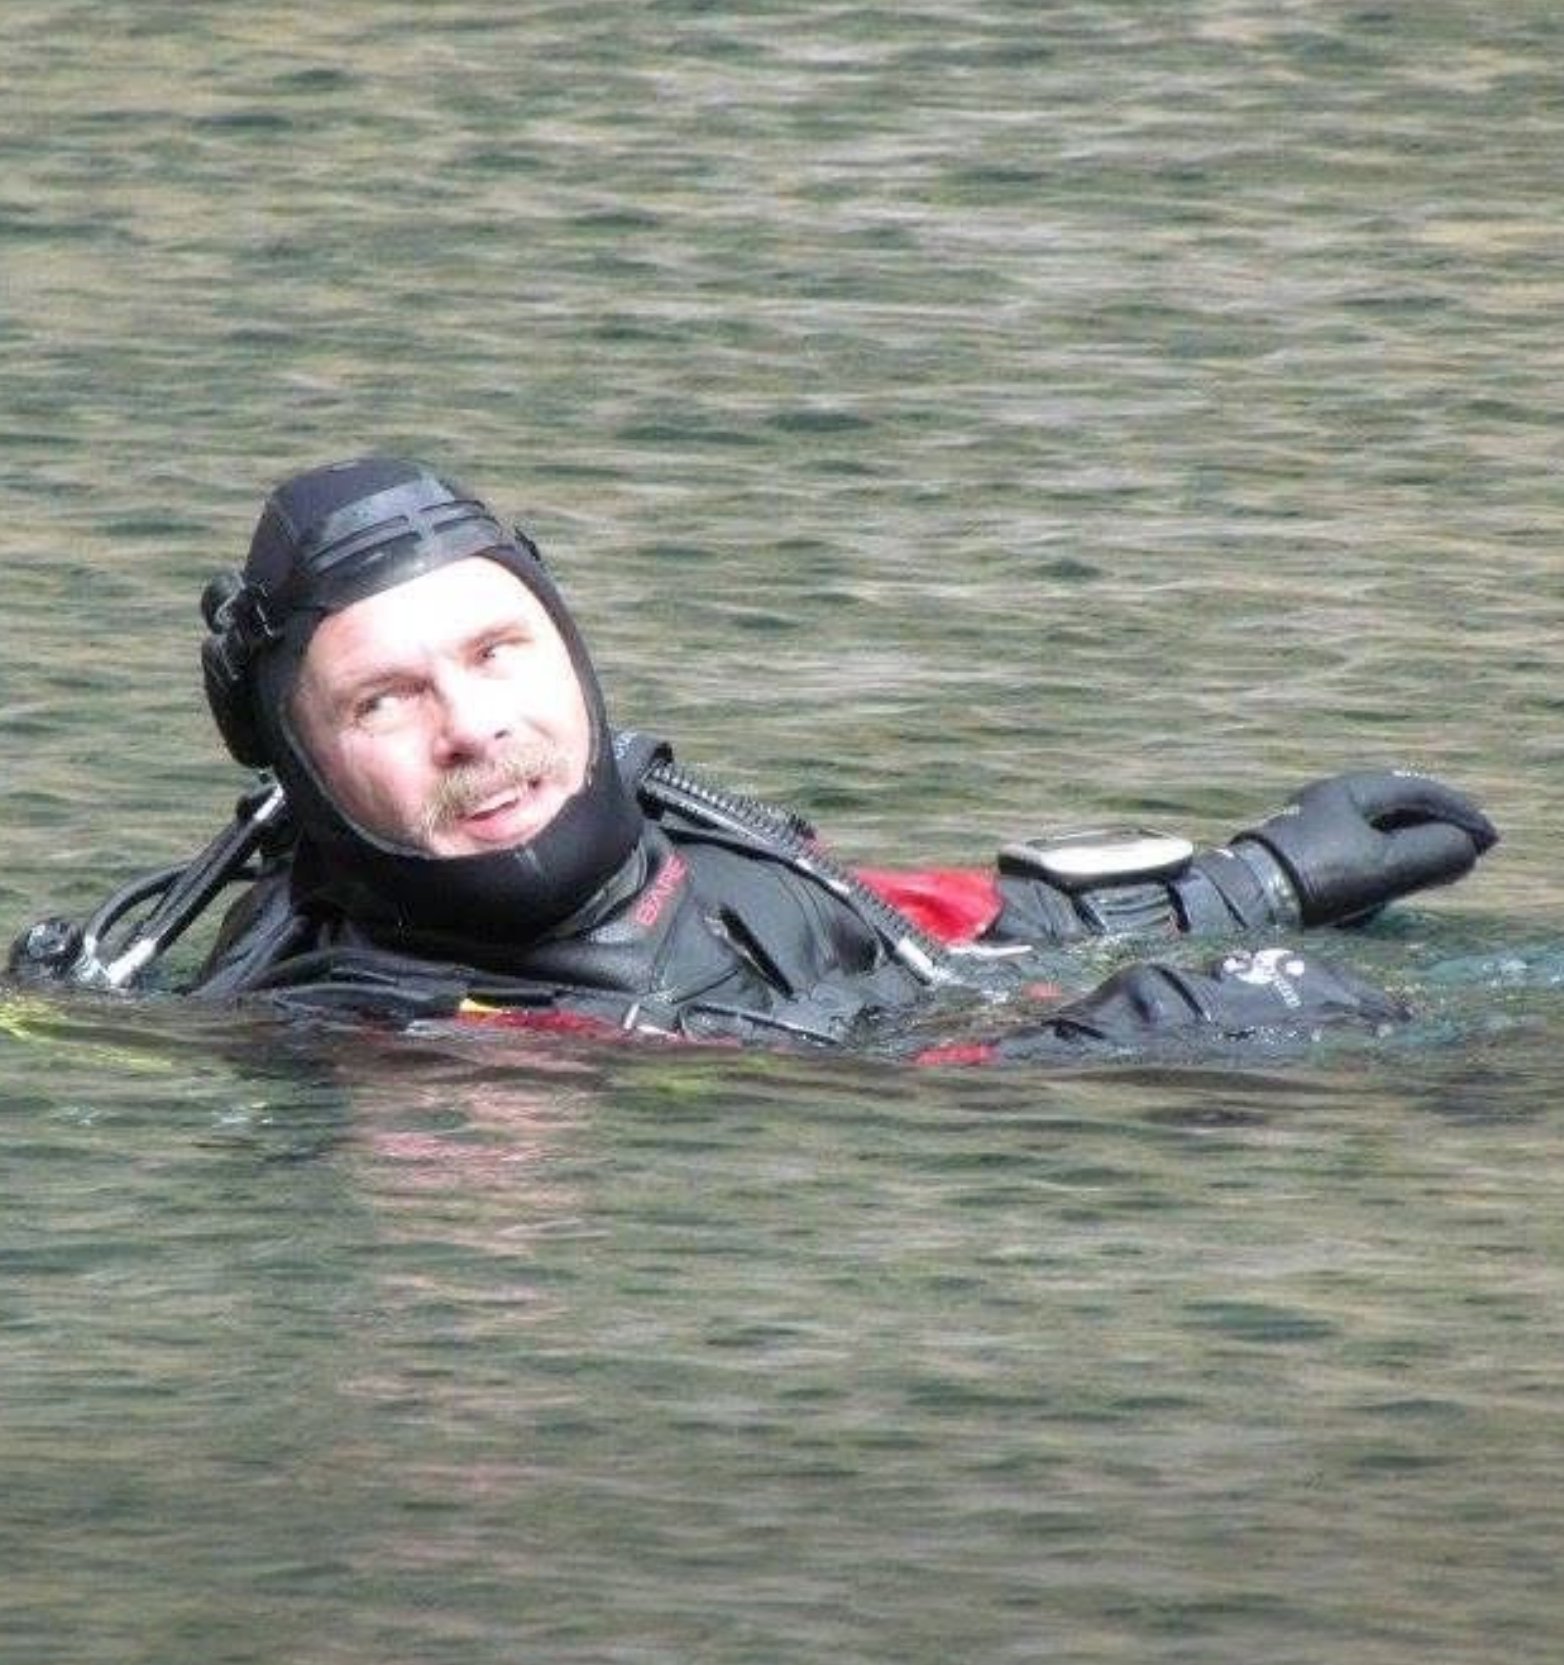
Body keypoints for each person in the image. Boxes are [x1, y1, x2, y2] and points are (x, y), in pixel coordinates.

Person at [8, 457, 1499, 1063]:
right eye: (385, 702)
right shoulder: (376, 1034)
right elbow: (781, 1088)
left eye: (496, 650)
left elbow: (911, 925)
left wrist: (1248, 883)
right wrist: (1096, 1052)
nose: (475, 724)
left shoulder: (672, 839)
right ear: (306, 776)